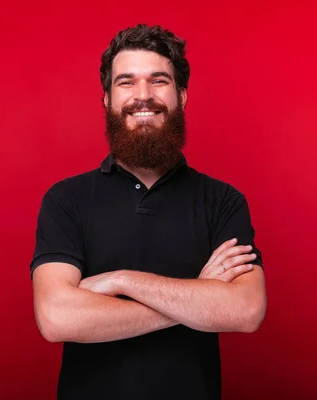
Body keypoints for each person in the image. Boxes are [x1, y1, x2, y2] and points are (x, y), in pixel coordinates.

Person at [30, 23, 267, 400]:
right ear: (106, 99)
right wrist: (198, 299)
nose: (143, 96)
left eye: (159, 81)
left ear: (182, 96)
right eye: (126, 82)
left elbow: (246, 310)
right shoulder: (66, 199)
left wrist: (120, 281)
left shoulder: (223, 201)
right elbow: (57, 317)